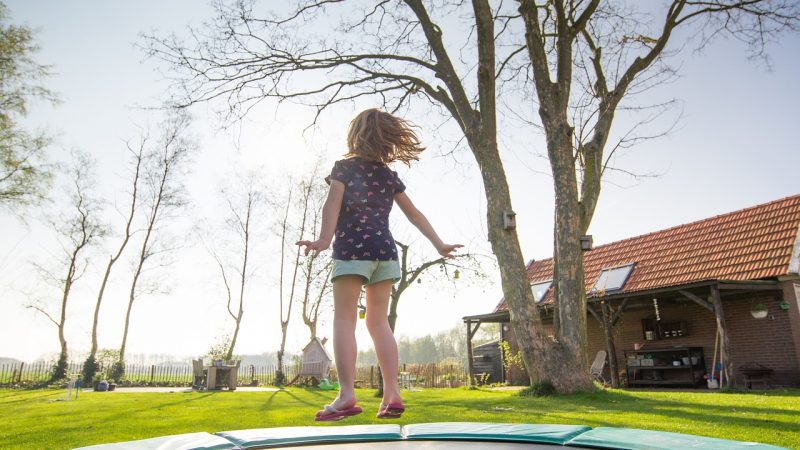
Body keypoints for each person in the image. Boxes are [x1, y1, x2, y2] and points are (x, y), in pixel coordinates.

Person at [296, 108, 461, 421]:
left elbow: (331, 204)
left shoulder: (343, 168)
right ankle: (392, 393)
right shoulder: (389, 175)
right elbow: (414, 214)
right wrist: (438, 243)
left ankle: (346, 395)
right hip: (385, 252)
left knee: (344, 320)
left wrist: (323, 240)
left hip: (352, 251)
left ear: (355, 135)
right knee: (378, 322)